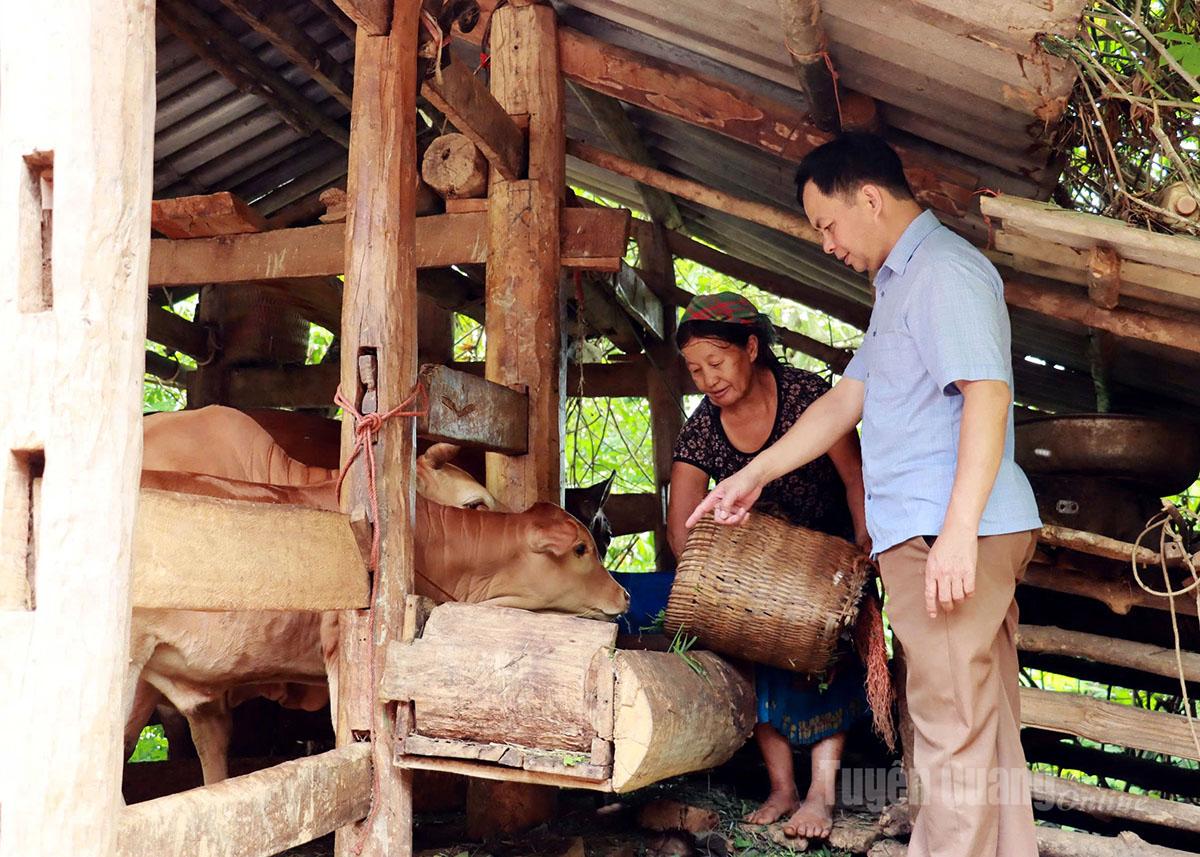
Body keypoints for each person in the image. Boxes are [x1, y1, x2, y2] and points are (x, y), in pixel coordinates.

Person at [686, 133, 1042, 857]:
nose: (825, 244)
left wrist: (955, 532)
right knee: (983, 735)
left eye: (827, 224)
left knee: (949, 741)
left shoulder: (943, 272)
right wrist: (751, 476)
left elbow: (988, 395)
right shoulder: (901, 285)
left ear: (871, 199)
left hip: (947, 532)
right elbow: (845, 401)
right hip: (944, 530)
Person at [666, 291, 870, 840]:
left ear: (751, 347)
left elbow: (856, 479)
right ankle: (782, 788)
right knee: (749, 641)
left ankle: (822, 795)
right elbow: (680, 523)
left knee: (829, 650)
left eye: (716, 362)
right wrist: (723, 585)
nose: (707, 379)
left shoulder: (807, 396)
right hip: (752, 573)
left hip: (826, 564)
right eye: (694, 369)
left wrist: (863, 550)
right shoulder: (703, 426)